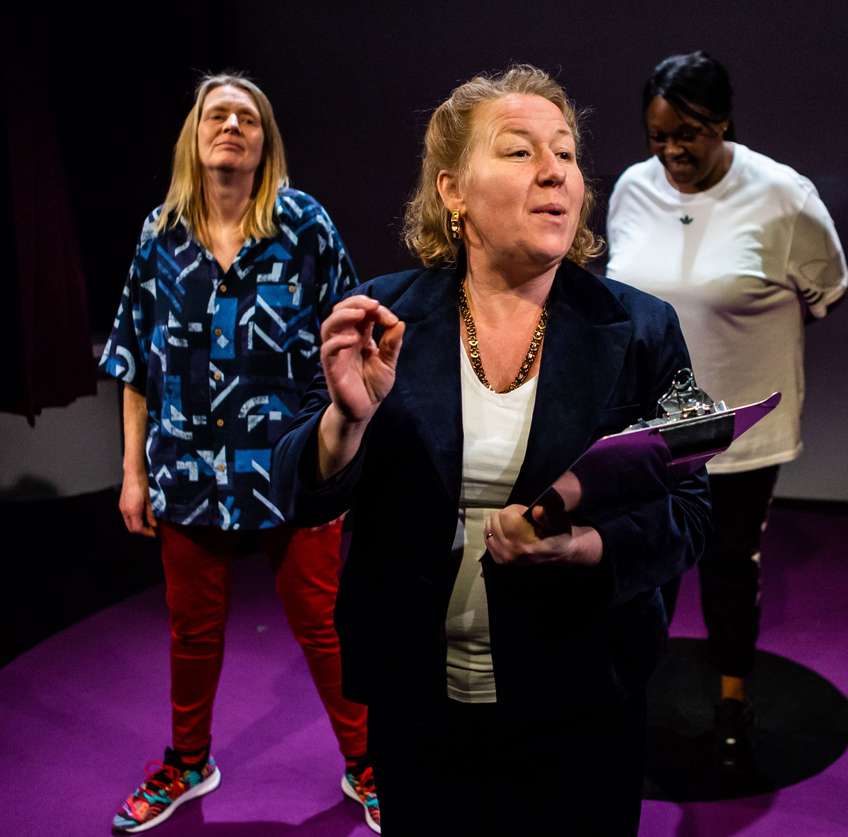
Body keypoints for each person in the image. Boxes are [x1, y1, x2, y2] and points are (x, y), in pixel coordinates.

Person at [270, 65, 711, 836]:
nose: (555, 172)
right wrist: (348, 420)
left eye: (568, 154)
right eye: (519, 151)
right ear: (452, 192)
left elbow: (691, 507)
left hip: (584, 699)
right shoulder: (382, 315)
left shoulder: (643, 329)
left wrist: (589, 546)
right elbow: (302, 487)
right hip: (419, 702)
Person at [99, 74, 377, 834]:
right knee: (192, 630)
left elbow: (353, 340)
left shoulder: (304, 224)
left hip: (292, 470)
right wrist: (132, 472)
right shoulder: (160, 233)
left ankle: (368, 762)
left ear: (265, 141)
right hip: (187, 473)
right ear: (195, 135)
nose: (231, 125)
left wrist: (346, 451)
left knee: (322, 622)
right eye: (216, 114)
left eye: (246, 117)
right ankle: (189, 764)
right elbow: (133, 363)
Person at [605, 50, 848, 770]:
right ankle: (634, 697)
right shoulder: (630, 189)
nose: (673, 151)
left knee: (728, 565)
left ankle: (733, 700)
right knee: (648, 564)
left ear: (725, 122)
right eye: (658, 135)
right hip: (650, 428)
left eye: (691, 133)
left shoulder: (784, 195)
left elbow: (826, 290)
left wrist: (737, 338)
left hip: (743, 425)